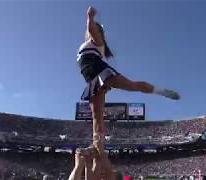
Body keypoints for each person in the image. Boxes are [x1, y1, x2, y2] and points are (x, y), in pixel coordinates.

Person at [77, 6, 180, 154]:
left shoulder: (97, 41)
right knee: (96, 114)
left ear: (97, 31)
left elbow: (92, 29)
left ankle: (161, 91)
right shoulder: (87, 44)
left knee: (132, 85)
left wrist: (90, 18)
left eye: (92, 29)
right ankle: (97, 144)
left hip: (101, 72)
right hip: (92, 79)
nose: (88, 31)